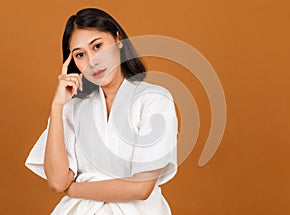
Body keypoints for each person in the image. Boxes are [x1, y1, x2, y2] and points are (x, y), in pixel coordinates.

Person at [25, 8, 178, 215]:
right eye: (80, 55)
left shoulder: (154, 99)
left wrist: (75, 189)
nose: (92, 61)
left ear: (118, 39)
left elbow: (141, 188)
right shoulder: (72, 108)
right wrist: (57, 107)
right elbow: (57, 181)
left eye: (97, 46)